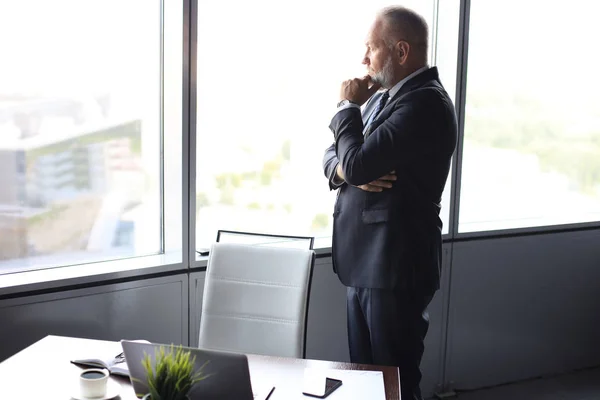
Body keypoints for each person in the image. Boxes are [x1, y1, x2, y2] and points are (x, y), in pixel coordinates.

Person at [322, 6, 458, 400]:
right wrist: (347, 170)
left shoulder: (424, 103)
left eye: (371, 48)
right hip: (367, 265)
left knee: (393, 386)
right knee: (366, 383)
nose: (364, 60)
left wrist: (347, 107)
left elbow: (357, 160)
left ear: (401, 52)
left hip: (395, 269)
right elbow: (337, 156)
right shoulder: (386, 99)